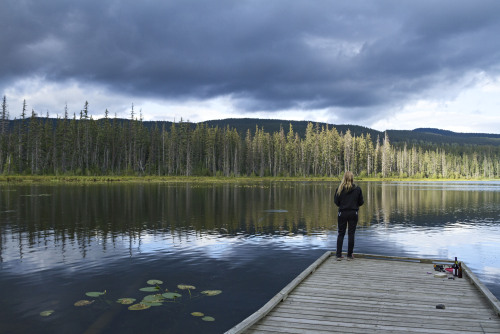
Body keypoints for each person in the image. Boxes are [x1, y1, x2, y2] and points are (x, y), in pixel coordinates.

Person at [334, 171, 364, 260]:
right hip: (353, 213)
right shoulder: (358, 189)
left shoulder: (339, 189)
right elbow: (361, 202)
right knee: (351, 234)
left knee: (341, 233)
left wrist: (343, 205)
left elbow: (336, 202)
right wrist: (354, 205)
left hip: (342, 213)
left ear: (344, 178)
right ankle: (349, 255)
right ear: (352, 178)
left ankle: (338, 255)